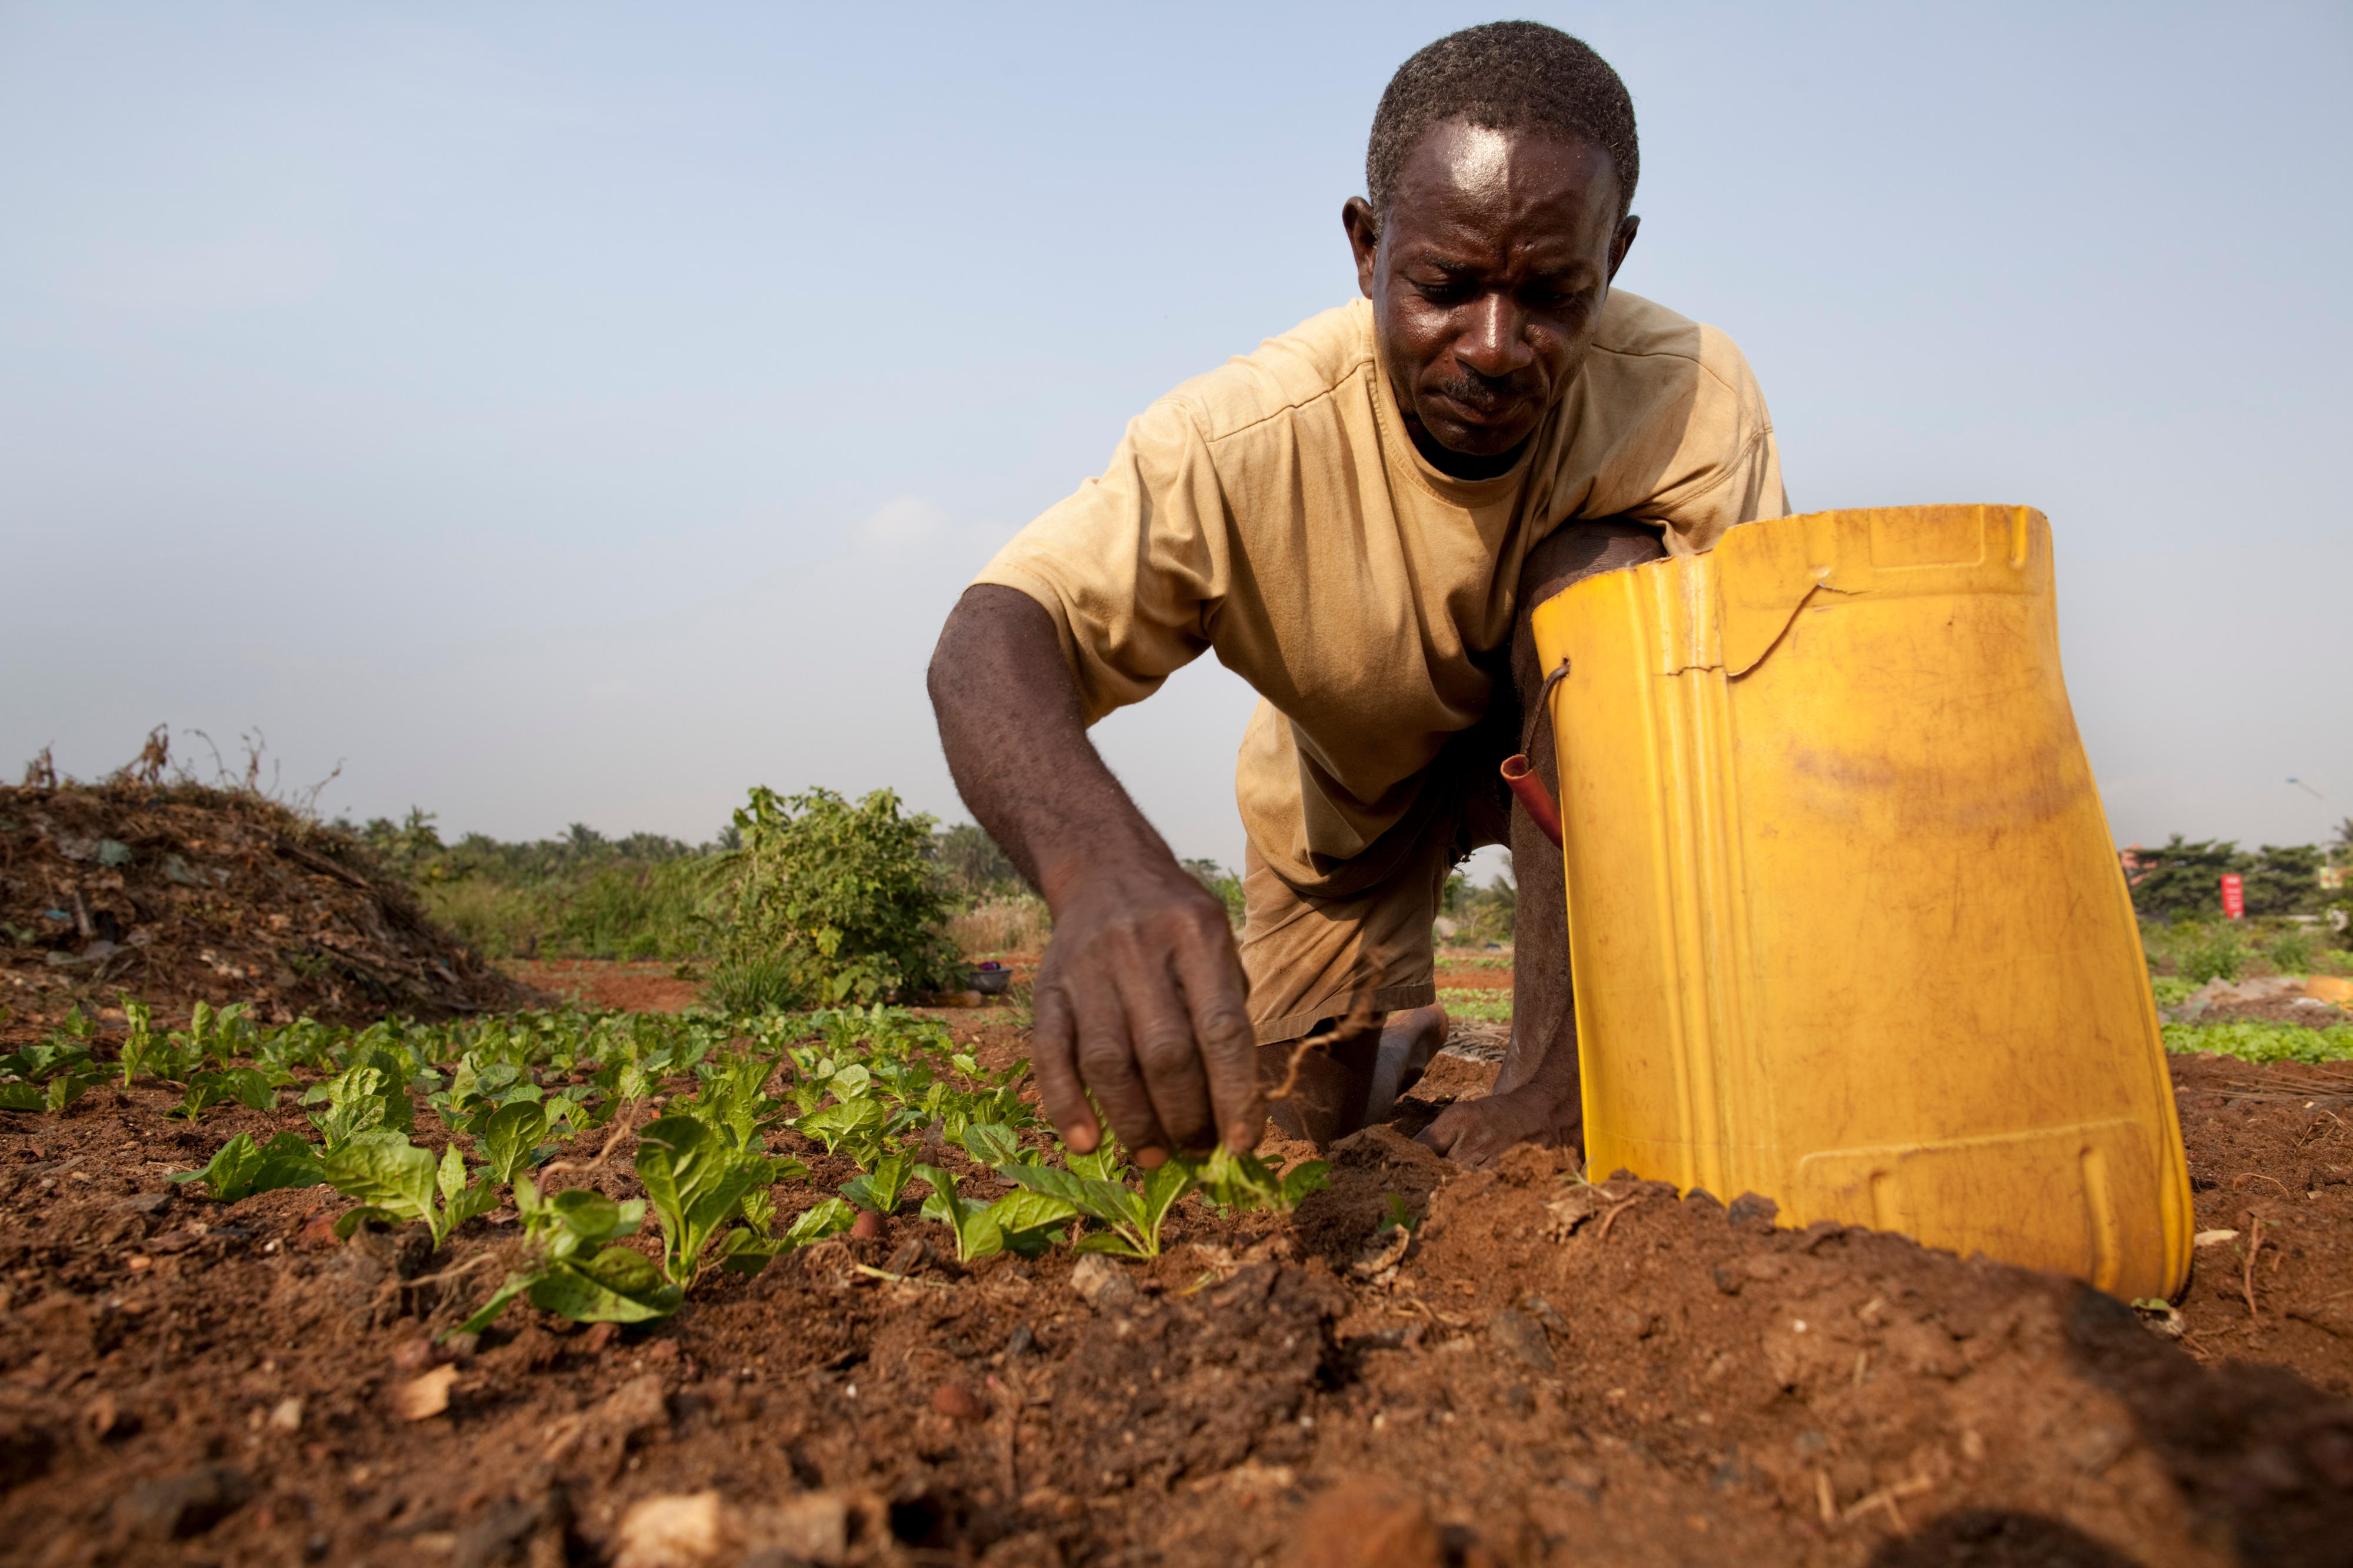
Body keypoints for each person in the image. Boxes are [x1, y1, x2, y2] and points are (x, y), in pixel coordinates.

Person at [928, 22, 1788, 1169]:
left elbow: (1746, 720)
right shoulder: (1243, 439)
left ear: (1613, 259)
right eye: (1442, 286)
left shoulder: (1687, 400)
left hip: (1581, 764)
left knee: (1605, 581)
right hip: (1350, 811)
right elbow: (991, 634)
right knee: (1284, 1124)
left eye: (1550, 295)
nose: (1492, 348)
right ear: (1366, 245)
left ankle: (1550, 1083)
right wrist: (1101, 867)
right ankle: (1387, 1039)